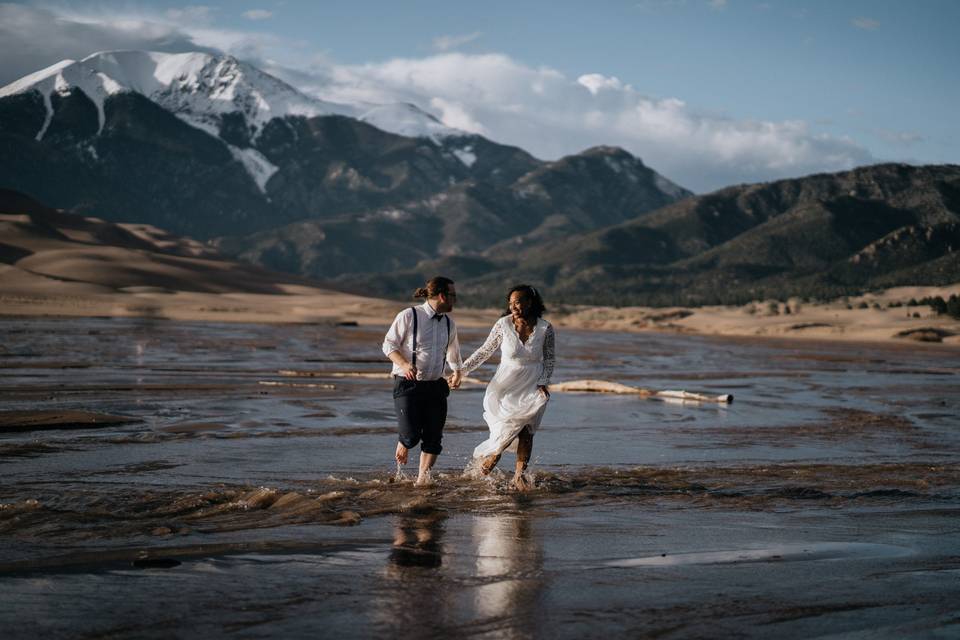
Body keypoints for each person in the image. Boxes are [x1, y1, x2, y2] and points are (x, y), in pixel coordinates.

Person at [454, 284, 554, 490]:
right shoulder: (503, 324)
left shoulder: (545, 328)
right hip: (505, 385)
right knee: (506, 427)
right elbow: (484, 351)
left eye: (517, 302)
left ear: (530, 302)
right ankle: (494, 455)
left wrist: (543, 382)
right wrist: (461, 371)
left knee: (526, 430)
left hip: (532, 384)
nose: (513, 307)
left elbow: (550, 359)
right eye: (510, 303)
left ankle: (520, 476)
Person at [382, 276, 463, 485]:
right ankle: (404, 441)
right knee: (411, 436)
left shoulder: (449, 323)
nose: (456, 300)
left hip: (436, 385)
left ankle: (421, 480)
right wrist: (405, 364)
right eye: (453, 295)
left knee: (434, 439)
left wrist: (457, 372)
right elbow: (388, 345)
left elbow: (453, 351)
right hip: (408, 384)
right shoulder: (409, 315)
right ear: (443, 296)